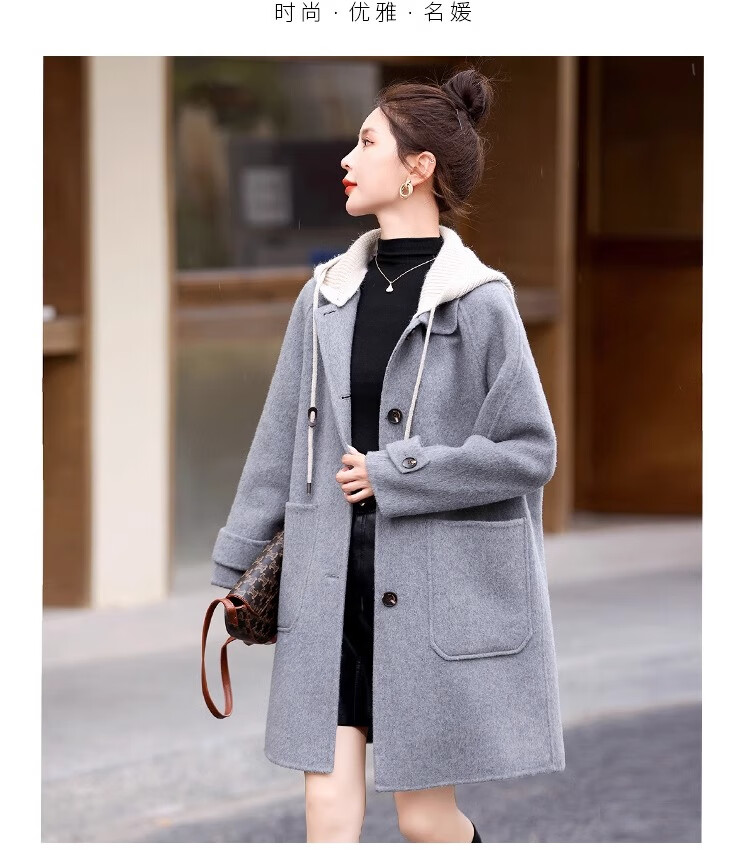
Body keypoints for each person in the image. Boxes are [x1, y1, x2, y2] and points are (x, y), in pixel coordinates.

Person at [211, 66, 565, 842]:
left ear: (418, 167)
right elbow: (279, 437)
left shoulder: (480, 301)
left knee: (425, 820)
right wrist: (236, 566)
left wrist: (397, 471)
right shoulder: (325, 296)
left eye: (367, 142)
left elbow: (529, 450)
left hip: (429, 592)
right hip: (328, 584)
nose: (347, 158)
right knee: (327, 810)